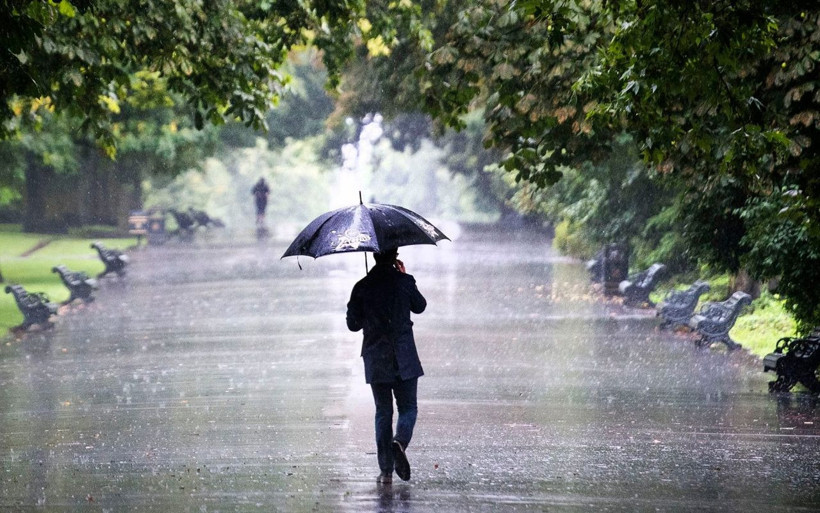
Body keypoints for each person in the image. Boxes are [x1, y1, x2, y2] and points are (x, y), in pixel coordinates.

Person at [346, 247, 427, 485]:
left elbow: (353, 324)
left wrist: (362, 306)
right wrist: (405, 276)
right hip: (405, 357)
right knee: (408, 408)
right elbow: (420, 306)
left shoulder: (362, 286)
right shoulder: (404, 282)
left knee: (383, 411)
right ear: (395, 257)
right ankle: (399, 442)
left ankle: (386, 471)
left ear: (373, 256)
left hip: (376, 357)